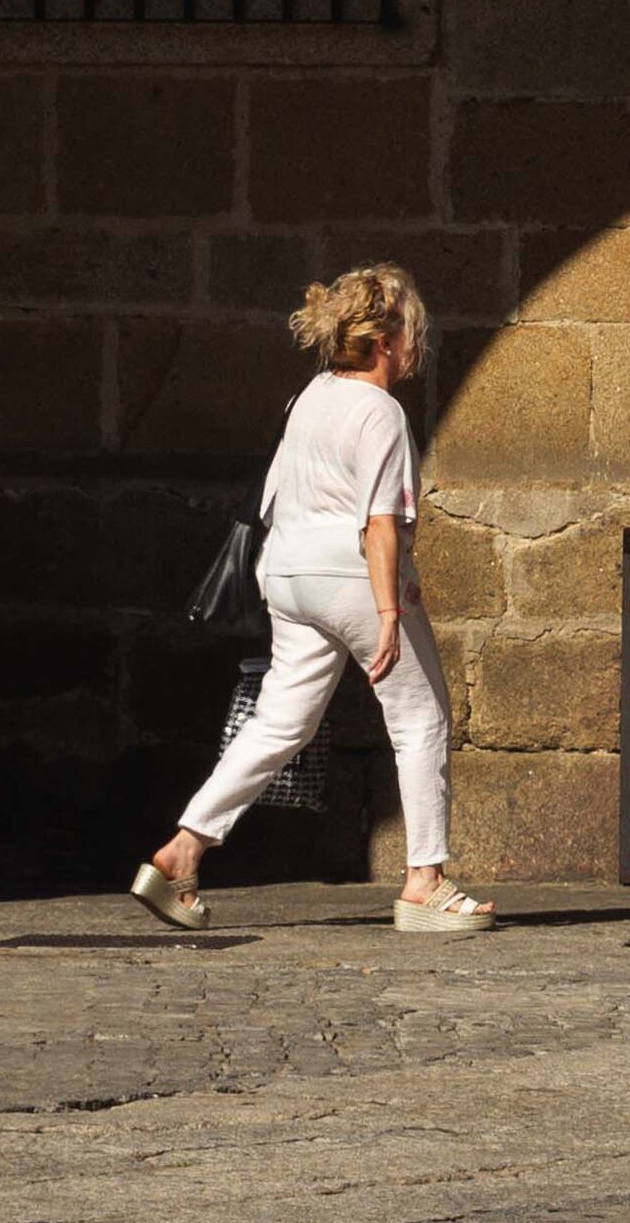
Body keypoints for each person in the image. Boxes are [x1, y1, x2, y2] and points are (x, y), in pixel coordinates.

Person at [137, 264, 492, 935]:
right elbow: (380, 520)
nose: (418, 344)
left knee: (279, 723)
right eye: (412, 329)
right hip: (351, 574)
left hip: (288, 573)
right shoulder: (380, 410)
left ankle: (184, 848)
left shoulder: (311, 394)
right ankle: (426, 880)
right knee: (420, 719)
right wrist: (389, 613)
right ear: (387, 336)